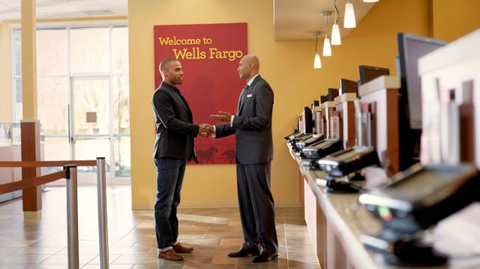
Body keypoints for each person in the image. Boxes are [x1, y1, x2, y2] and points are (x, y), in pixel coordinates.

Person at [210, 54, 278, 263]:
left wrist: (232, 118)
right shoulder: (246, 89)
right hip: (244, 156)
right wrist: (214, 130)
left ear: (251, 65)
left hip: (257, 155)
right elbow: (240, 123)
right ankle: (251, 243)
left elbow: (261, 121)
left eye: (240, 65)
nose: (237, 68)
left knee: (261, 202)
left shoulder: (262, 88)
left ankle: (269, 247)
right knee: (246, 202)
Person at [152, 57, 213, 261]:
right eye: (177, 69)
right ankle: (163, 248)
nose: (182, 72)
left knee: (173, 201)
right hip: (167, 154)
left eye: (181, 69)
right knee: (164, 202)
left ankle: (172, 241)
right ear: (165, 72)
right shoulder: (161, 94)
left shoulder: (174, 93)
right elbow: (170, 123)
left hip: (177, 154)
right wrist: (197, 129)